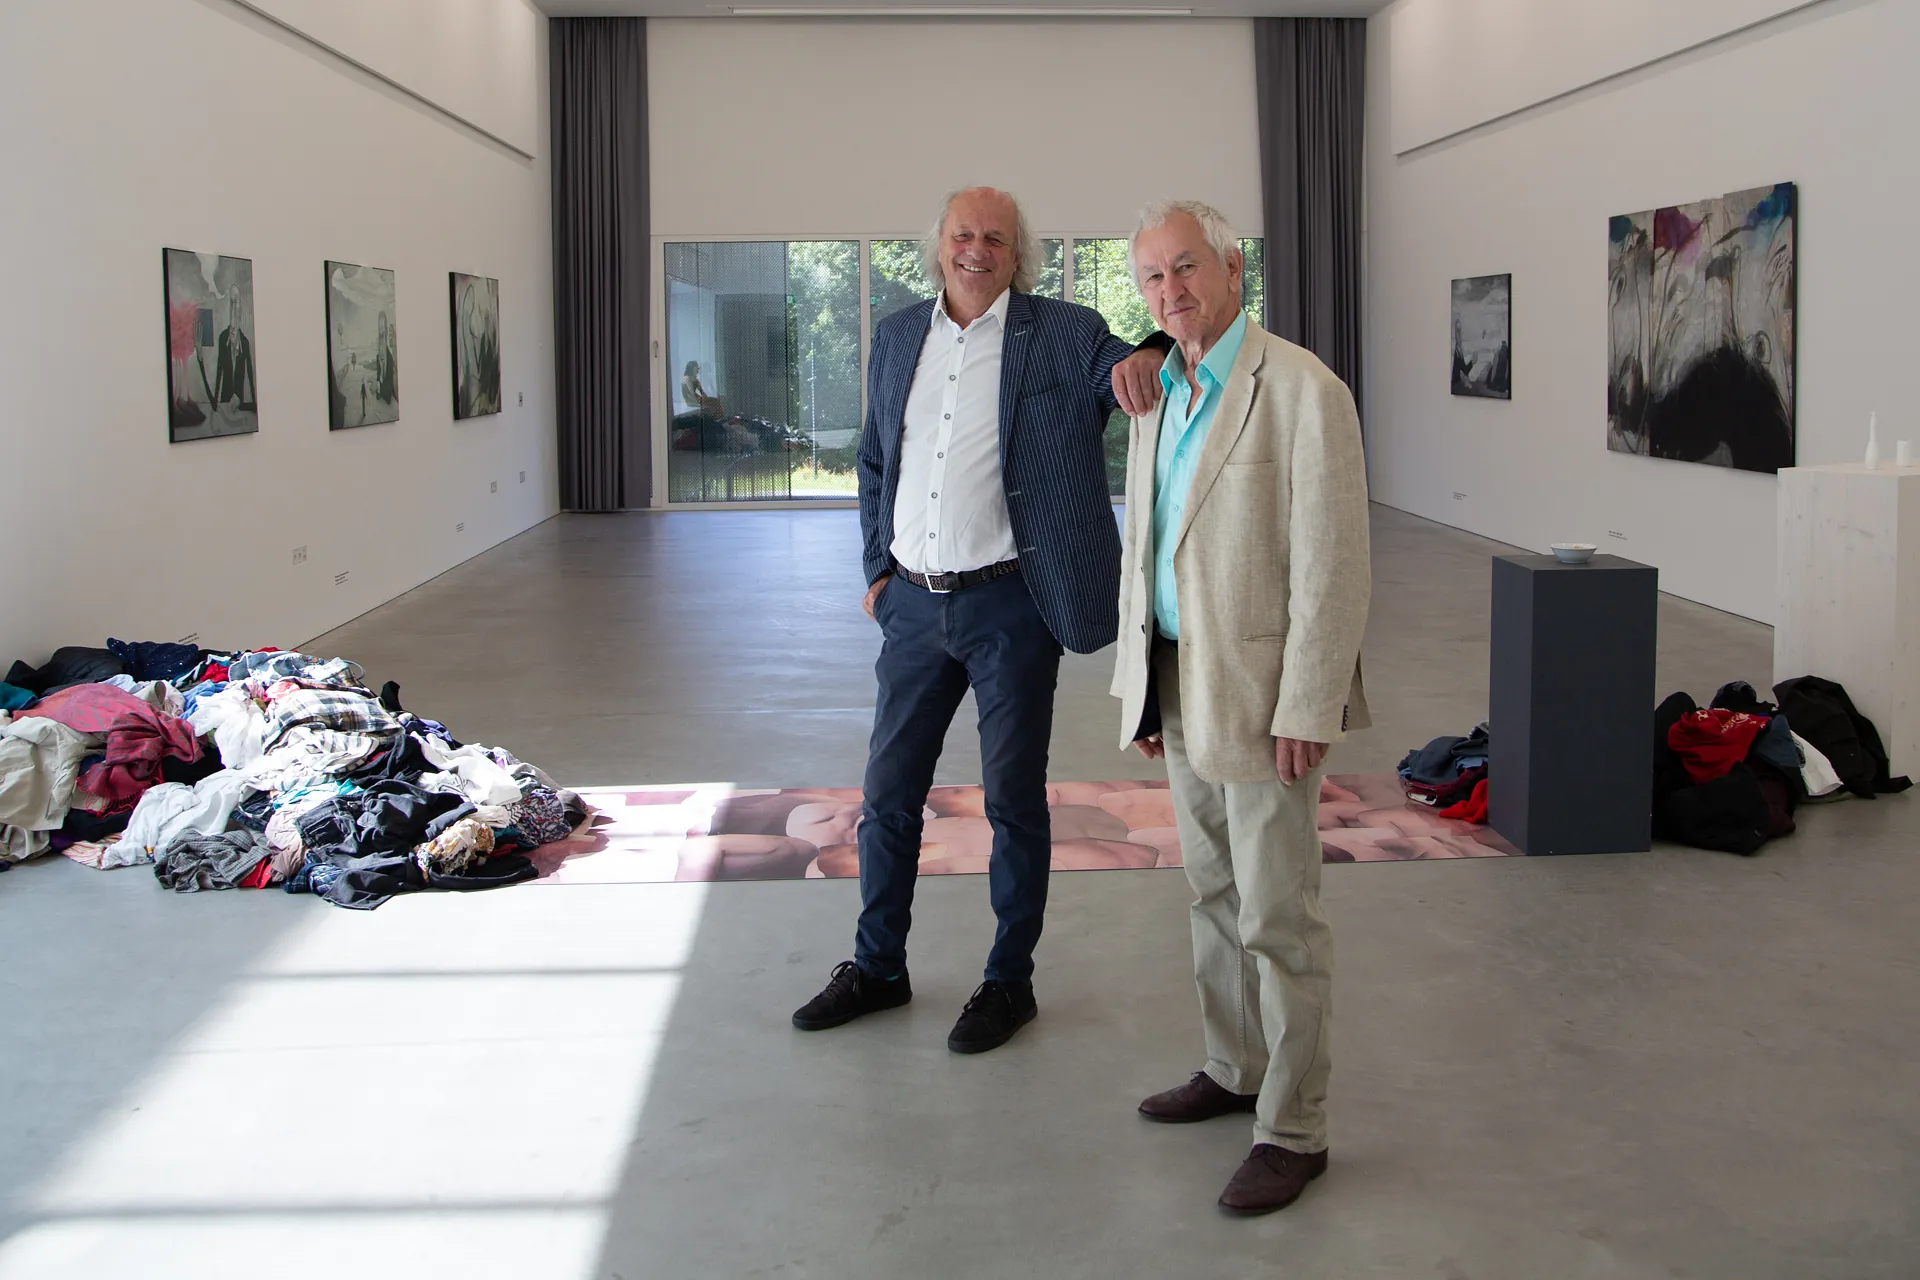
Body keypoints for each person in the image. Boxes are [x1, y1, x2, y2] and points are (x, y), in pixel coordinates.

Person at [792, 186, 1168, 1054]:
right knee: (888, 798)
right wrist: (876, 570)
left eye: (996, 238)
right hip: (912, 607)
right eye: (964, 234)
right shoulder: (898, 336)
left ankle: (1009, 982)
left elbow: (1129, 366)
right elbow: (876, 459)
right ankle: (878, 967)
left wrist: (1152, 347)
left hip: (1011, 607)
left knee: (1013, 801)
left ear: (1017, 254)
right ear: (940, 245)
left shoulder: (1064, 331)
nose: (977, 249)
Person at [1108, 200, 1371, 1215]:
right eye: (1151, 276)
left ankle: (1295, 1128)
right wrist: (1139, 685)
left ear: (1232, 269)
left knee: (1279, 915)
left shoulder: (1303, 389)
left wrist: (1309, 701)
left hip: (1264, 702)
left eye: (1186, 268)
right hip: (1180, 679)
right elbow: (1148, 548)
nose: (1169, 290)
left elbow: (1334, 564)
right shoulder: (1158, 393)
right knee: (1211, 892)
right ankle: (1233, 1065)